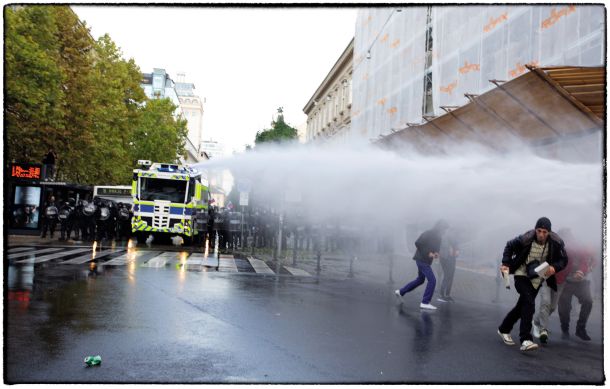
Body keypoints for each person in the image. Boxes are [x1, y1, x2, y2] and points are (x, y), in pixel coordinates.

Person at [497, 217, 567, 352]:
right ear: (535, 230)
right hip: (521, 274)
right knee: (529, 303)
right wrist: (506, 263)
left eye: (544, 232)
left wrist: (554, 267)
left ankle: (503, 329)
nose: (541, 234)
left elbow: (564, 259)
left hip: (538, 278)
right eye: (539, 231)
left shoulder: (556, 242)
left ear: (549, 232)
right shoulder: (526, 238)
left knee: (521, 307)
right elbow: (509, 246)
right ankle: (525, 340)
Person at [394, 219, 449, 310]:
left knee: (420, 280)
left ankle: (401, 292)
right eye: (444, 229)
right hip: (421, 260)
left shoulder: (439, 237)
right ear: (440, 228)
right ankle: (425, 302)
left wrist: (436, 254)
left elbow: (435, 249)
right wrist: (429, 253)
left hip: (426, 261)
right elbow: (418, 243)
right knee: (432, 280)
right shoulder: (429, 233)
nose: (445, 232)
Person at [557, 229, 596, 341]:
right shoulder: (556, 247)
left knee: (588, 301)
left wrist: (581, 271)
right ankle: (565, 327)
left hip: (579, 281)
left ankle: (580, 328)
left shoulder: (578, 246)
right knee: (564, 309)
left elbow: (584, 261)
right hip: (564, 282)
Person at [437, 229, 459, 302]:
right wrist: (453, 250)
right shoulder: (446, 237)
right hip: (446, 258)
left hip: (451, 258)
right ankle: (442, 295)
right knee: (447, 276)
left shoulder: (451, 237)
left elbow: (456, 247)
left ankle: (447, 295)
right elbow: (445, 248)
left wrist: (456, 250)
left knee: (450, 276)